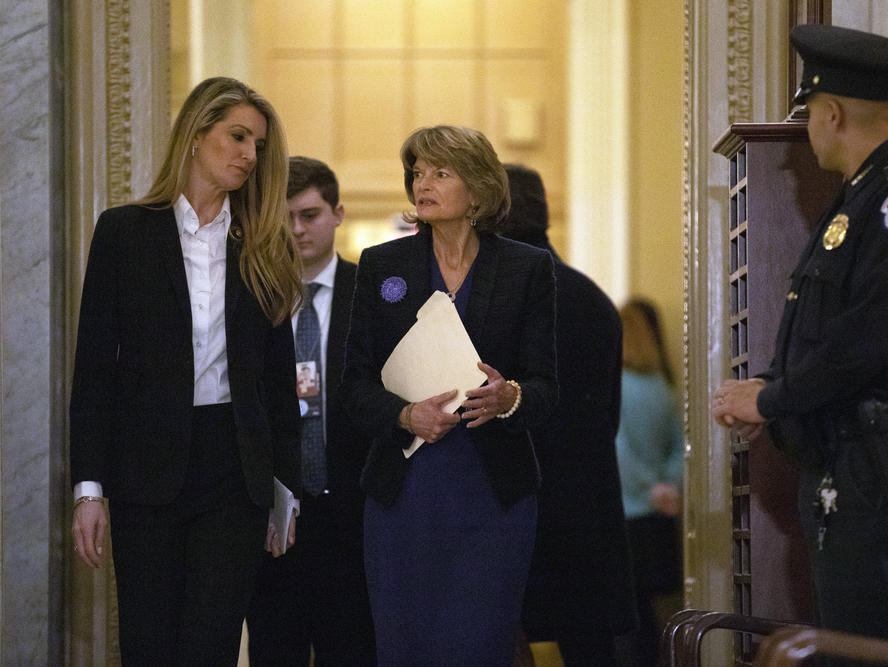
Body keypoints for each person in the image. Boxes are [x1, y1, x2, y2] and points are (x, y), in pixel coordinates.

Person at [712, 24, 888, 650]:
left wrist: (771, 401)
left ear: (830, 113)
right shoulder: (860, 196)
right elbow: (823, 329)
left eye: (810, 115)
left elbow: (872, 338)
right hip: (849, 464)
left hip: (884, 468)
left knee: (878, 652)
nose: (809, 128)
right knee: (849, 650)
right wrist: (773, 392)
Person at [69, 76, 302, 666]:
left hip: (235, 469)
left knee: (211, 647)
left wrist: (285, 487)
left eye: (258, 145)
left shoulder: (264, 243)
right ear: (197, 135)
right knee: (148, 646)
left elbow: (276, 380)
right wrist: (89, 488)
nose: (250, 155)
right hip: (145, 469)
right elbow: (96, 369)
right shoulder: (124, 232)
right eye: (238, 136)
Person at [339, 125, 557, 665]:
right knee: (405, 646)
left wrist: (510, 399)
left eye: (440, 172)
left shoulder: (526, 269)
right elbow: (354, 388)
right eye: (417, 172)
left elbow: (549, 389)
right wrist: (405, 414)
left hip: (491, 495)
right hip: (405, 493)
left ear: (479, 188)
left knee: (479, 646)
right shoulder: (382, 266)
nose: (423, 183)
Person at [501, 163, 637, 666]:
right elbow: (610, 413)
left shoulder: (497, 298)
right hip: (585, 505)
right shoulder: (593, 299)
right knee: (587, 646)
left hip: (512, 507)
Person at [246, 157, 376, 665]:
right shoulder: (254, 298)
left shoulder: (372, 296)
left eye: (309, 215)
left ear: (337, 213)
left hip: (352, 523)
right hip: (275, 527)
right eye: (285, 219)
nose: (296, 230)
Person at [615, 298, 685, 667]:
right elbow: (679, 446)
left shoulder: (616, 384)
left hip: (626, 514)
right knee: (651, 612)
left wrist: (647, 488)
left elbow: (617, 447)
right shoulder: (663, 385)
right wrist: (669, 486)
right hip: (658, 516)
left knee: (626, 617)